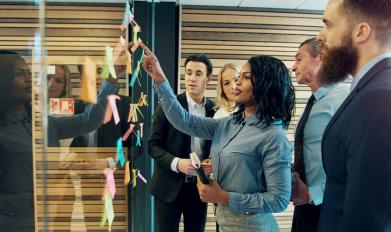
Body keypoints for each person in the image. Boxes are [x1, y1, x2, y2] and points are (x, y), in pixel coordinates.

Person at [142, 43, 295, 232]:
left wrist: (223, 197)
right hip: (225, 225)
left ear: (265, 85)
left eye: (245, 78)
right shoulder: (229, 123)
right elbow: (184, 121)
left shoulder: (273, 136)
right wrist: (159, 77)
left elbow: (279, 200)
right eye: (238, 77)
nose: (237, 83)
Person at [0, 51, 119, 231]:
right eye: (19, 74)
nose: (28, 79)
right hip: (16, 224)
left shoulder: (43, 123)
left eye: (28, 73)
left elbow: (90, 120)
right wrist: (33, 199)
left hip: (53, 212)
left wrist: (111, 79)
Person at [316, 0, 391, 231]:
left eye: (328, 24)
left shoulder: (378, 98)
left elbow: (369, 221)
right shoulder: (370, 89)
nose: (320, 36)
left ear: (360, 32)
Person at [147, 54, 215, 232]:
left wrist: (212, 161)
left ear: (208, 78)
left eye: (198, 74)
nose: (192, 78)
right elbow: (152, 146)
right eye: (189, 73)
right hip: (168, 188)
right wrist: (178, 163)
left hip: (200, 188)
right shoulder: (170, 105)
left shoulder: (215, 110)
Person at [290, 38, 349, 232]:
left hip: (329, 208)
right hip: (304, 209)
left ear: (320, 58)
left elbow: (356, 161)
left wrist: (313, 194)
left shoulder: (344, 99)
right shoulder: (313, 103)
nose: (293, 67)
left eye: (299, 59)